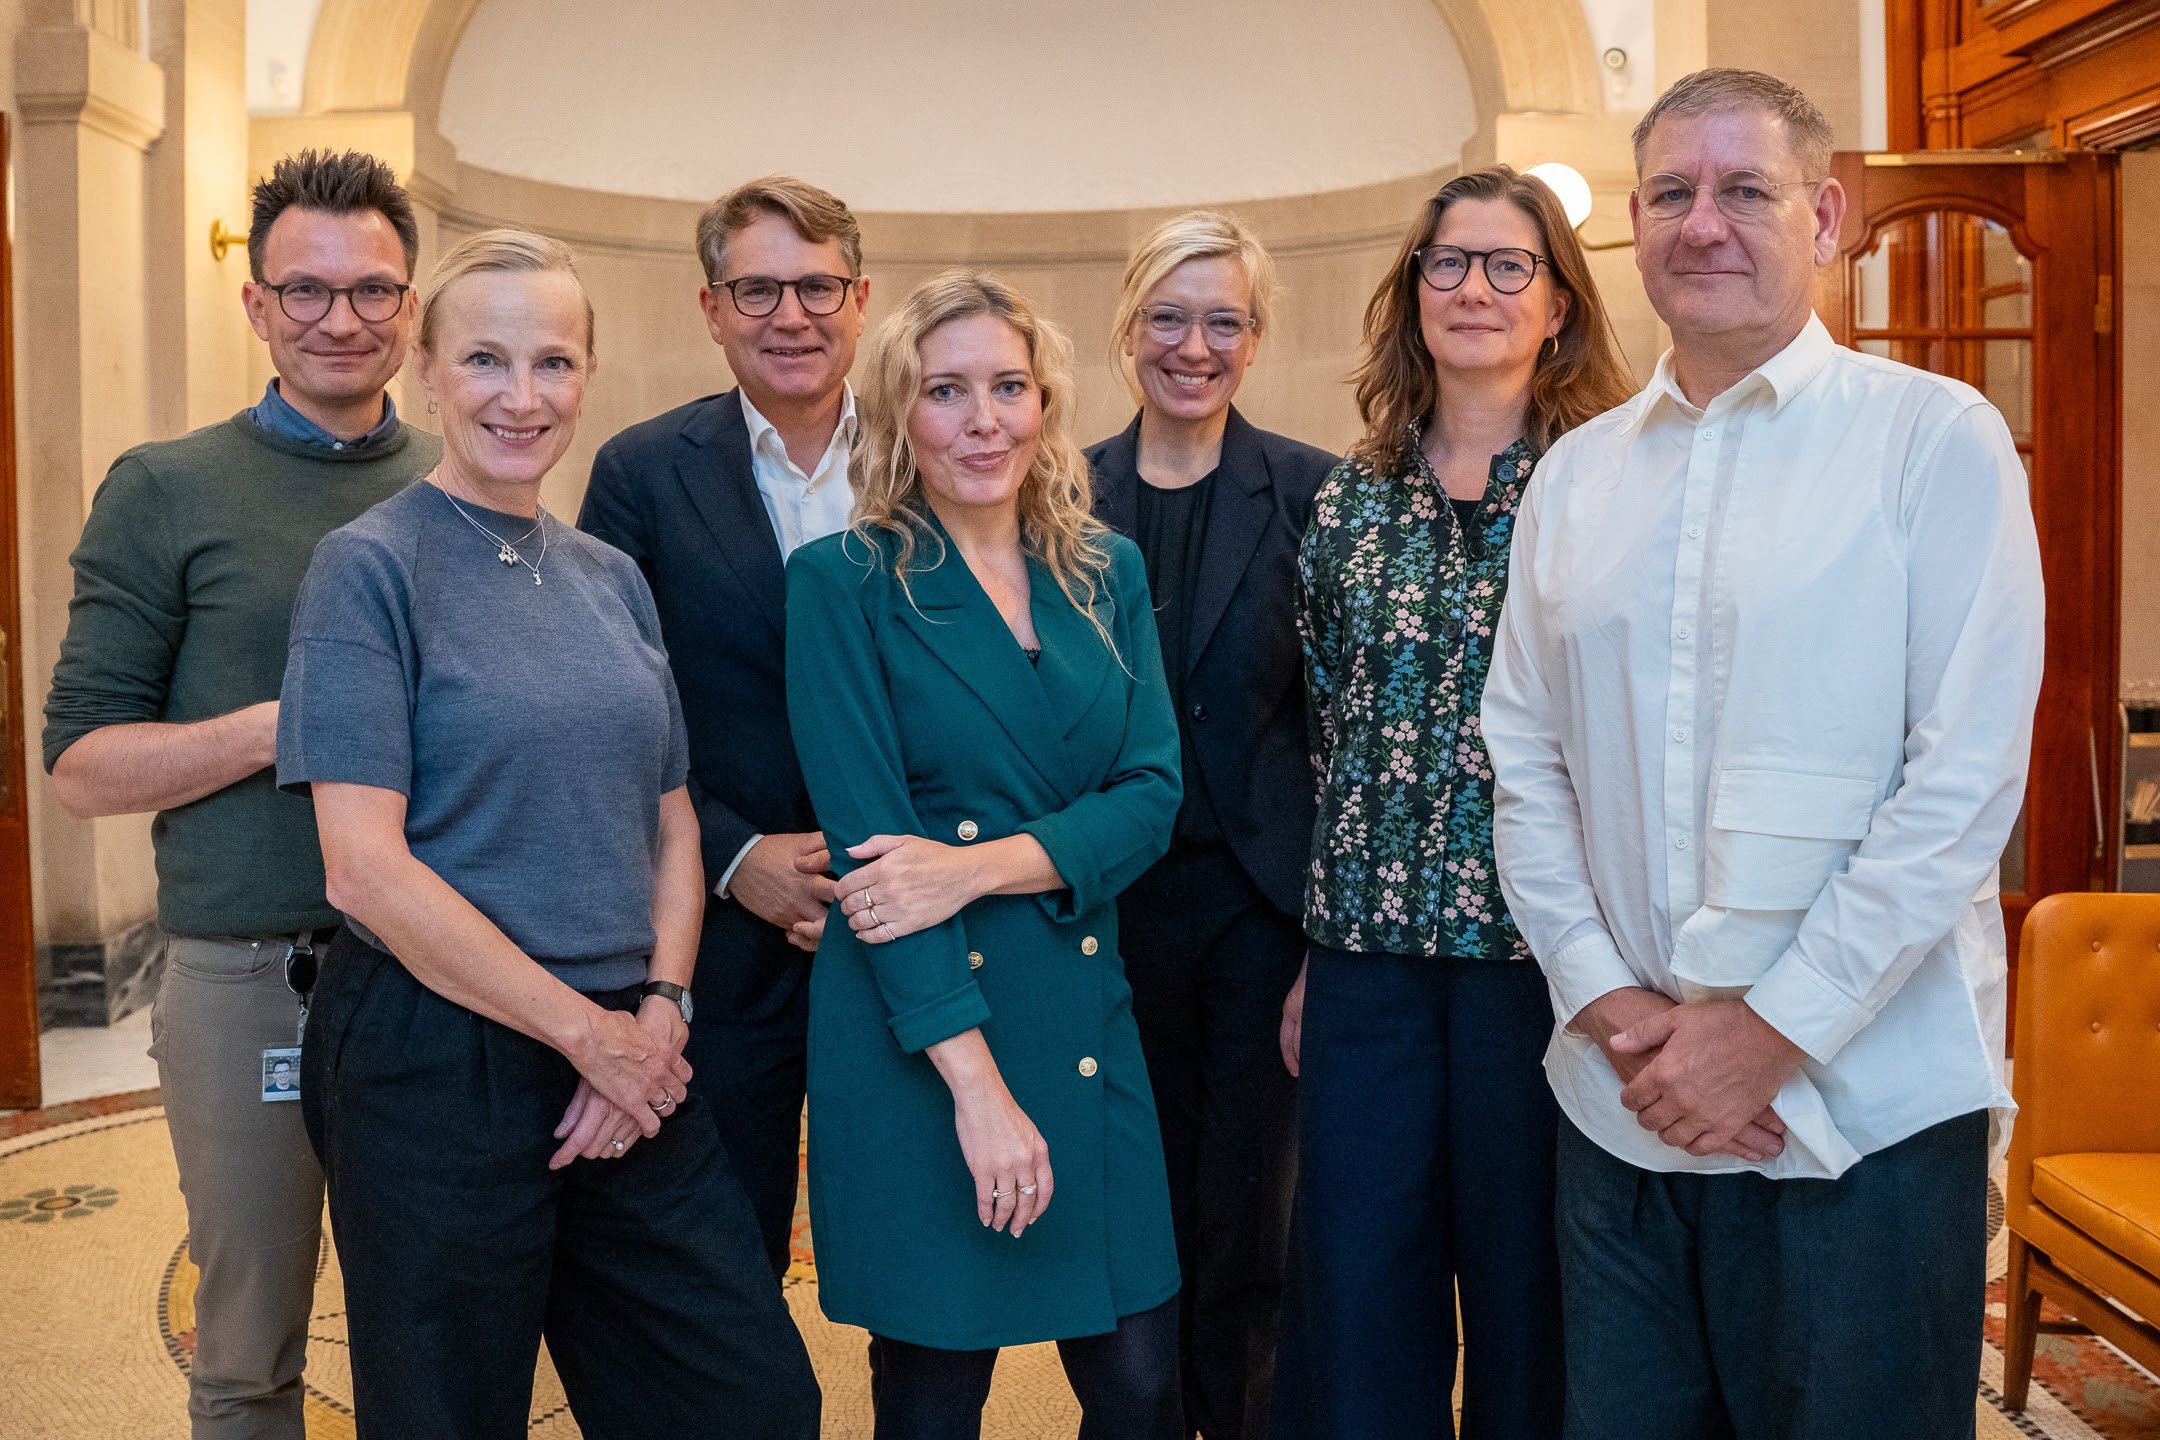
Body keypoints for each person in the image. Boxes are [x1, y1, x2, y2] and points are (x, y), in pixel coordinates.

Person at [1483, 69, 2045, 1440]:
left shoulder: (1935, 443)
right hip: (1621, 1104)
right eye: (1673, 192)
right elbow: (1525, 760)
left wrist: (1770, 1032)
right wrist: (1608, 1001)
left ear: (1829, 215)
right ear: (1634, 221)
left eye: (1747, 188)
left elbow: (1959, 788)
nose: (1705, 222)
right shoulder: (1577, 476)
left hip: (1862, 1108)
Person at [276, 229, 819, 1438]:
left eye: (554, 364)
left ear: (587, 375)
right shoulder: (366, 570)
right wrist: (587, 1037)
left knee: (748, 1399)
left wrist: (662, 1013)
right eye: (484, 360)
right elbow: (362, 866)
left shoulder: (608, 575)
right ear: (424, 370)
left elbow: (672, 819)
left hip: (629, 1042)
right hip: (437, 1054)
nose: (522, 398)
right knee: (451, 1411)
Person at [41, 149, 440, 1440]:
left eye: (373, 290)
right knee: (251, 1342)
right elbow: (80, 765)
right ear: (257, 305)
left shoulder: (458, 480)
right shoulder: (166, 490)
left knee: (432, 1326)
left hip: (437, 970)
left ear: (411, 306)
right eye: (307, 291)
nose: (342, 319)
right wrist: (282, 728)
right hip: (253, 975)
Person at [786, 269, 1184, 1439]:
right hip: (923, 1032)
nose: (984, 420)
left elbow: (1153, 796)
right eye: (946, 391)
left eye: (1009, 387)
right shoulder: (842, 586)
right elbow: (874, 865)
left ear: (1046, 404)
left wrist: (968, 865)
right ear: (900, 417)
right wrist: (978, 1094)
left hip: (1084, 1016)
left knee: (1142, 1377)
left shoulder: (1106, 572)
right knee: (934, 1392)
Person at [1272, 167, 1636, 1440]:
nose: (1472, 289)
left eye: (1507, 266)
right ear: (1411, 292)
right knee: (1360, 1291)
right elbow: (1330, 736)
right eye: (1446, 263)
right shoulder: (1346, 503)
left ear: (1558, 305)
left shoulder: (1613, 487)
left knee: (1535, 1291)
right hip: (1366, 963)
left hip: (1544, 964)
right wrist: (1316, 957)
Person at [577, 175, 868, 1277]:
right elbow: (620, 714)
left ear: (860, 297)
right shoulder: (641, 474)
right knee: (722, 1254)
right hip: (720, 935)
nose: (789, 316)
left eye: (815, 286)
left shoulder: (931, 456)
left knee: (907, 1242)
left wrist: (886, 863)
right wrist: (739, 857)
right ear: (711, 308)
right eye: (756, 289)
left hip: (902, 914)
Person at [1084, 210, 1334, 1440]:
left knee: (1250, 1217)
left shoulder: (1312, 492)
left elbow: (1343, 738)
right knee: (1128, 1206)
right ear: (1128, 330)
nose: (1195, 345)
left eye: (1223, 321)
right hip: (1098, 907)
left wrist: (1316, 941)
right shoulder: (1054, 493)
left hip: (1256, 910)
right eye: (1170, 318)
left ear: (1256, 337)